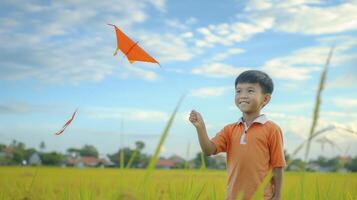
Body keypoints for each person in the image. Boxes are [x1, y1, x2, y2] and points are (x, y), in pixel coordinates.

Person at [189, 70, 286, 200]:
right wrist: (201, 128)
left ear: (265, 99)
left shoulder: (272, 129)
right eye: (238, 91)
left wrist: (278, 196)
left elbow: (278, 166)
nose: (243, 95)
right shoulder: (230, 130)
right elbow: (209, 150)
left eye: (250, 91)